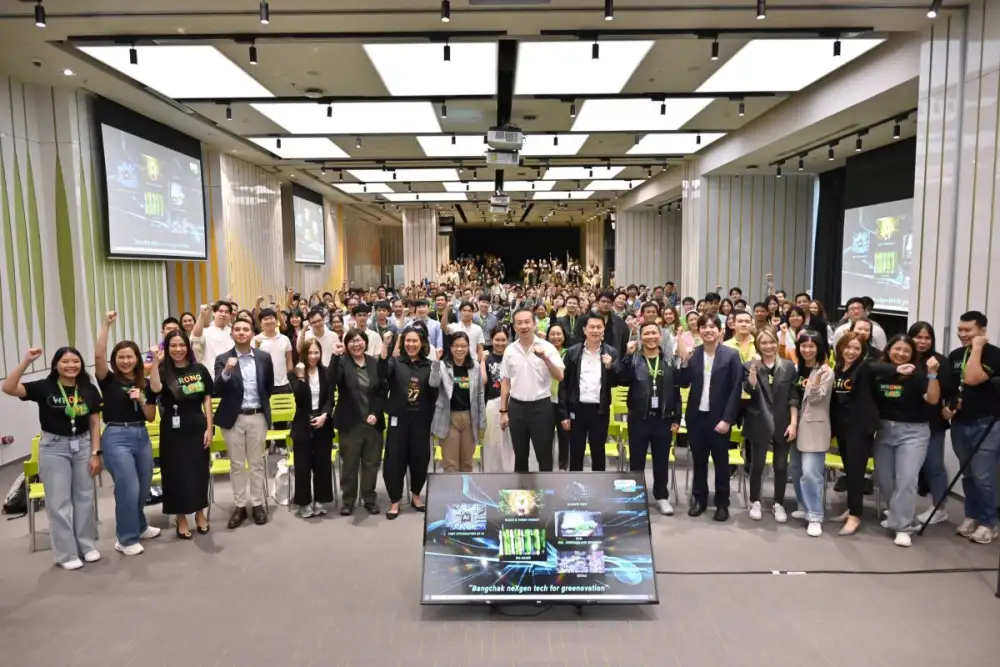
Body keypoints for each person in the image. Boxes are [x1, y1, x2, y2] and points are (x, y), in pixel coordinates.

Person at [3, 347, 103, 570]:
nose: (71, 366)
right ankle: (66, 554)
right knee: (59, 502)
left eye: (75, 361)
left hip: (83, 445)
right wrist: (26, 361)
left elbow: (95, 422)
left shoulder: (87, 388)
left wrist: (96, 453)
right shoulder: (44, 387)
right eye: (65, 361)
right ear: (56, 364)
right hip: (54, 447)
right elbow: (8, 387)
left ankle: (86, 546)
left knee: (84, 497)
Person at [94, 311, 160, 556]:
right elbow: (98, 355)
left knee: (143, 487)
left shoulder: (144, 383)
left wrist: (141, 399)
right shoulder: (108, 379)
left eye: (129, 356)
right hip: (116, 436)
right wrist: (106, 325)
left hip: (141, 436)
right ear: (115, 360)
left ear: (137, 359)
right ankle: (125, 539)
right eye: (120, 357)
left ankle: (140, 525)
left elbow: (151, 416)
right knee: (127, 488)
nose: (125, 361)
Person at [873, 335, 940, 547]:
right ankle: (906, 517)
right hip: (884, 431)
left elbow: (932, 399)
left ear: (913, 355)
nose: (901, 354)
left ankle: (902, 528)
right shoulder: (880, 372)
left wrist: (932, 374)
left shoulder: (918, 374)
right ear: (888, 349)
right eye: (897, 349)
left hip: (913, 433)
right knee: (886, 480)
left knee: (907, 479)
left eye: (906, 351)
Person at [146, 330, 213, 540]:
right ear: (167, 348)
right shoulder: (163, 371)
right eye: (173, 345)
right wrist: (155, 362)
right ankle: (181, 517)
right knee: (175, 474)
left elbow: (207, 399)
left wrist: (210, 427)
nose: (178, 349)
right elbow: (155, 388)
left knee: (199, 472)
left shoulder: (199, 369)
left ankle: (200, 513)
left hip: (197, 426)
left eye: (182, 345)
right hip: (173, 430)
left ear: (188, 347)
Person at [677, 315, 743, 522]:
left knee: (721, 463)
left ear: (720, 330)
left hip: (719, 419)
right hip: (696, 418)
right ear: (699, 331)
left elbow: (736, 390)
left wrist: (727, 419)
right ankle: (699, 499)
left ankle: (722, 503)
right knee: (699, 461)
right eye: (704, 327)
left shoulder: (731, 355)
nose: (708, 330)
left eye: (712, 326)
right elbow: (683, 383)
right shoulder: (694, 354)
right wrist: (684, 361)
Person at [943, 311, 1000, 544]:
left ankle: (989, 523)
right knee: (967, 474)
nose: (962, 334)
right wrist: (948, 406)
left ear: (982, 331)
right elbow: (952, 387)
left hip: (986, 424)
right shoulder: (955, 355)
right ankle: (972, 515)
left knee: (983, 476)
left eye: (968, 330)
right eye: (960, 329)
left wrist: (977, 348)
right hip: (960, 423)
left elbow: (972, 378)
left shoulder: (994, 354)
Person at [214, 319, 275, 529]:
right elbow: (217, 389)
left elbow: (269, 387)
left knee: (257, 463)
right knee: (237, 465)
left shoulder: (264, 358)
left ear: (252, 334)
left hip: (257, 416)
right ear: (232, 334)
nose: (241, 332)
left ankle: (257, 503)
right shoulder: (223, 359)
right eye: (237, 329)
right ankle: (240, 505)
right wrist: (227, 371)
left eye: (245, 329)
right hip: (233, 418)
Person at [618, 323, 683, 515]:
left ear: (660, 336)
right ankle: (635, 497)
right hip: (639, 418)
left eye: (654, 333)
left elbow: (676, 391)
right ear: (641, 338)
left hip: (663, 419)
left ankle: (661, 496)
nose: (651, 336)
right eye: (646, 333)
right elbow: (622, 378)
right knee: (636, 460)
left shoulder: (669, 362)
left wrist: (677, 418)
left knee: (661, 460)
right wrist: (627, 355)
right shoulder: (634, 359)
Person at [380, 325, 440, 520]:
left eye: (415, 341)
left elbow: (434, 393)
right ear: (403, 342)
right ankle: (395, 501)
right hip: (399, 420)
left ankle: (416, 496)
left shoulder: (429, 365)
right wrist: (385, 346)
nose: (411, 344)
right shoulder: (395, 362)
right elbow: (382, 373)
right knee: (394, 461)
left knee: (420, 459)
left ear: (422, 343)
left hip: (421, 420)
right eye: (408, 340)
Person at [829, 331, 886, 535]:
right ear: (840, 348)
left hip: (859, 428)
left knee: (856, 473)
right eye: (848, 347)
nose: (851, 352)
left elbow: (879, 367)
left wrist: (899, 368)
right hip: (843, 427)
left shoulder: (863, 368)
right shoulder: (839, 368)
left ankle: (855, 516)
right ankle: (851, 508)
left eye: (856, 348)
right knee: (850, 471)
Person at [742, 328, 799, 523]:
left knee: (781, 466)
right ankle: (755, 501)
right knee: (757, 465)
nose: (768, 346)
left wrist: (794, 423)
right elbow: (749, 389)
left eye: (771, 342)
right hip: (759, 420)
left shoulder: (789, 367)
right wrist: (753, 369)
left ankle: (778, 503)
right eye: (764, 343)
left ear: (777, 343)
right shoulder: (749, 365)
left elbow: (793, 397)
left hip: (783, 422)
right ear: (758, 345)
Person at [500, 308, 565, 472]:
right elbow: (506, 382)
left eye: (527, 322)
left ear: (534, 324)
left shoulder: (547, 347)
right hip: (517, 407)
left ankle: (546, 488)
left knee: (544, 455)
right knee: (520, 455)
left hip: (541, 407)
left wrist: (545, 358)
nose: (524, 326)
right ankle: (521, 488)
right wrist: (503, 411)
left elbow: (560, 376)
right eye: (519, 323)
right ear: (514, 327)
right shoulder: (509, 350)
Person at [330, 330, 384, 515]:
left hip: (373, 423)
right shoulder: (342, 362)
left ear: (365, 342)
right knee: (349, 464)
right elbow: (331, 380)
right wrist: (335, 356)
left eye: (359, 340)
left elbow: (381, 391)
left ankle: (369, 498)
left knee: (371, 464)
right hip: (350, 422)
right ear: (346, 345)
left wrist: (376, 413)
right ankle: (348, 500)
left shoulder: (374, 363)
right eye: (352, 341)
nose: (356, 344)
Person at [559, 313, 620, 472]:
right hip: (577, 409)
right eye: (591, 327)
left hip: (599, 410)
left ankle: (598, 486)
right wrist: (564, 414)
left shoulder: (611, 352)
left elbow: (617, 381)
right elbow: (564, 384)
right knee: (576, 452)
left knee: (598, 452)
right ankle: (576, 486)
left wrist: (610, 366)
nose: (595, 330)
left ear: (603, 329)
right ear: (584, 329)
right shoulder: (573, 352)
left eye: (599, 327)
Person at [790, 331, 834, 537]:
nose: (807, 350)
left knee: (811, 473)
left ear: (819, 348)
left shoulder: (825, 371)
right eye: (803, 346)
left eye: (811, 346)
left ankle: (815, 516)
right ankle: (804, 506)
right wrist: (792, 422)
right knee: (796, 470)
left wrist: (814, 381)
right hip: (795, 425)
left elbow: (817, 398)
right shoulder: (796, 369)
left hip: (815, 427)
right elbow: (792, 396)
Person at [909, 321, 952, 526]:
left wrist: (950, 407)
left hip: (932, 422)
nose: (922, 341)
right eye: (918, 337)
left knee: (934, 466)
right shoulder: (904, 356)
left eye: (927, 338)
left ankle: (939, 508)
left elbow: (951, 391)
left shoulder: (939, 361)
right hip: (906, 421)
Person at [287, 338, 335, 518]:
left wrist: (324, 415)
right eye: (310, 353)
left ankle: (321, 500)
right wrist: (301, 377)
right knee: (303, 465)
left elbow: (330, 398)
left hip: (323, 421)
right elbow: (299, 398)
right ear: (304, 354)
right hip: (302, 422)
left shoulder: (326, 372)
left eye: (317, 352)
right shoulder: (294, 373)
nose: (313, 356)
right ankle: (304, 502)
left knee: (322, 464)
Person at [432, 331, 487, 473]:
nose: (459, 349)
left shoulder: (474, 367)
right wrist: (436, 363)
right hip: (449, 418)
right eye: (456, 346)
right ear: (450, 348)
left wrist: (482, 421)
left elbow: (480, 394)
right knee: (451, 464)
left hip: (469, 418)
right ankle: (452, 488)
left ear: (468, 347)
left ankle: (465, 488)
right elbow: (433, 383)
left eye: (463, 346)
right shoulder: (443, 366)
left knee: (467, 464)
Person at [481, 327, 514, 472]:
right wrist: (482, 361)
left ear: (508, 340)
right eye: (497, 340)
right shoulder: (487, 358)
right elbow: (483, 381)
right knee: (493, 442)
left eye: (503, 340)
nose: (500, 343)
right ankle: (494, 473)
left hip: (512, 402)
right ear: (491, 340)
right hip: (493, 402)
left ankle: (511, 472)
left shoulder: (512, 357)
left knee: (511, 441)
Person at [546, 323, 571, 470]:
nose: (555, 337)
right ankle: (547, 468)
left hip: (564, 401)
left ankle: (563, 466)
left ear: (564, 336)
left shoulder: (570, 353)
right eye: (552, 334)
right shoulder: (543, 353)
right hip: (546, 399)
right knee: (546, 437)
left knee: (564, 436)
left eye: (558, 334)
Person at [254, 307, 293, 394]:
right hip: (263, 384)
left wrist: (289, 377)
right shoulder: (256, 340)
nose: (269, 321)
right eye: (265, 319)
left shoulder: (284, 339)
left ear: (276, 321)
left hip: (283, 383)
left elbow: (289, 360)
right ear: (260, 323)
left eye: (271, 318)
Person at [191, 300, 234, 365]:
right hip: (210, 369)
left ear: (230, 315)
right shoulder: (206, 332)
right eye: (220, 311)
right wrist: (202, 314)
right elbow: (195, 337)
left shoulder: (234, 332)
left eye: (226, 312)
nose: (223, 314)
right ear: (213, 313)